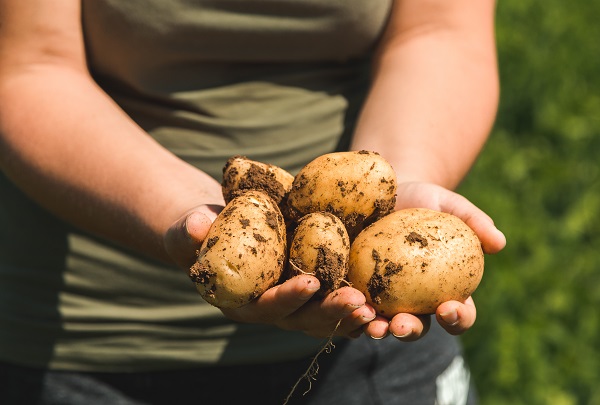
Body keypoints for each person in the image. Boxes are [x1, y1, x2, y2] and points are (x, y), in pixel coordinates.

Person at [0, 1, 506, 404]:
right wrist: (193, 214)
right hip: (84, 341)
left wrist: (403, 178)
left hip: (368, 351)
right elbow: (28, 68)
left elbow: (439, 34)